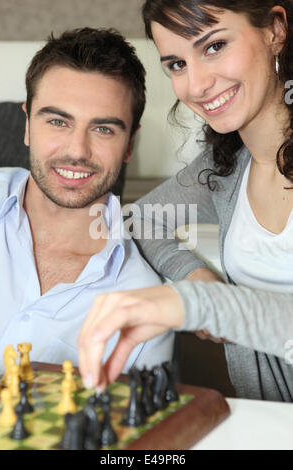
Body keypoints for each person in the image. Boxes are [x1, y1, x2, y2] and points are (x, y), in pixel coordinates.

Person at [78, 1, 293, 402]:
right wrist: (194, 275)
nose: (195, 86)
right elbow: (138, 220)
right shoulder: (225, 168)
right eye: (176, 64)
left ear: (275, 31)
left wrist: (203, 303)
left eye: (214, 47)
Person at [0, 27, 174, 377]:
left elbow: (141, 428)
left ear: (130, 144)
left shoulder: (144, 302)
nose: (77, 151)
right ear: (28, 124)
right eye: (58, 121)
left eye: (103, 129)